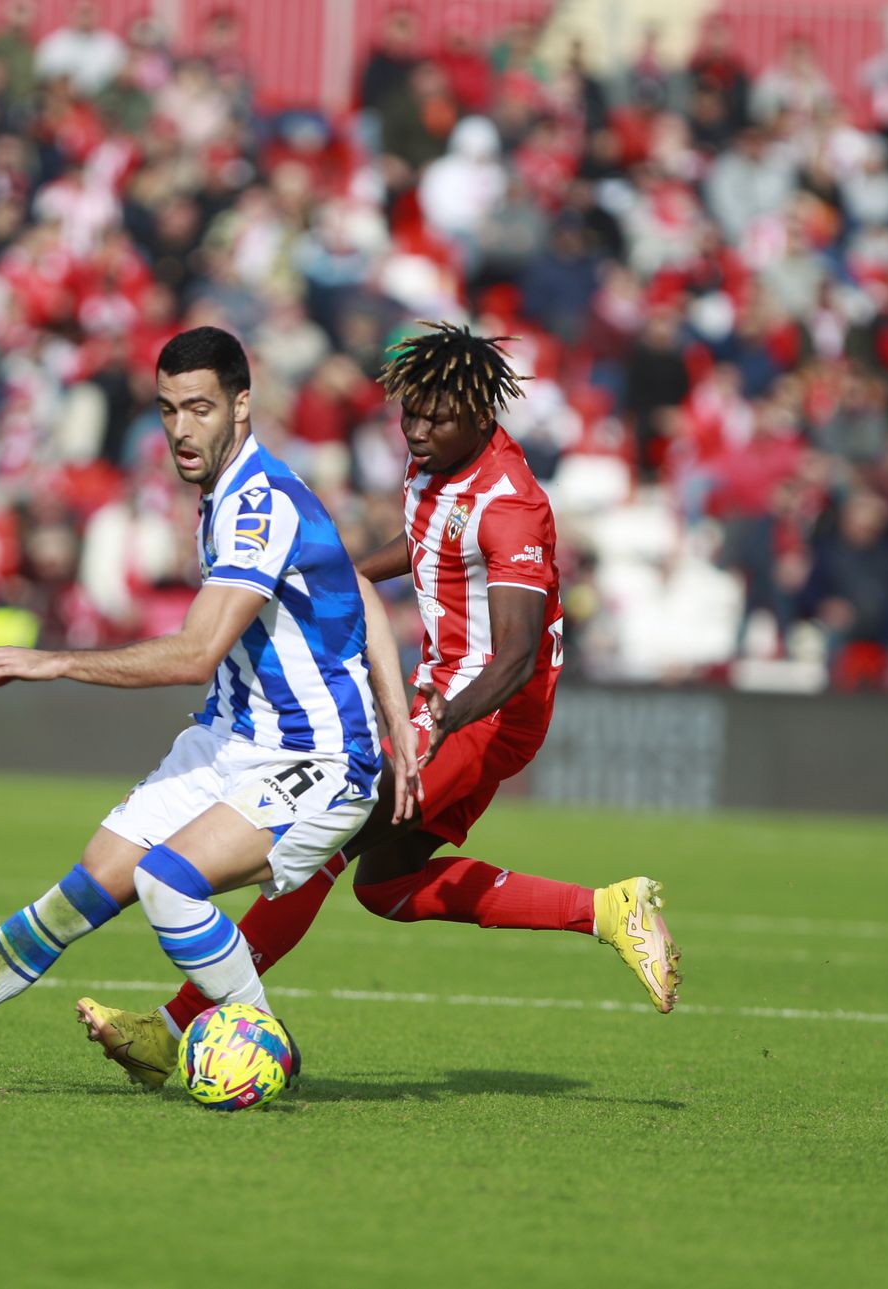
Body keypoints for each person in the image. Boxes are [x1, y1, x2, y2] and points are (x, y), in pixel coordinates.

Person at [0, 326, 418, 1091]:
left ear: (242, 404)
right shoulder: (227, 494)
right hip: (230, 739)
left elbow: (195, 653)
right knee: (79, 895)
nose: (181, 428)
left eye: (200, 408)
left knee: (167, 881)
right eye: (168, 409)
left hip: (315, 758)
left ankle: (265, 1042)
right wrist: (400, 718)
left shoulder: (257, 504)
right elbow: (354, 586)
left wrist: (58, 660)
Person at [78, 323, 682, 1090]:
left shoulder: (513, 507)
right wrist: (341, 573)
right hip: (443, 697)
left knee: (319, 840)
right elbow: (429, 537)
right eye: (410, 415)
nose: (418, 432)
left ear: (480, 415)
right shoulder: (436, 464)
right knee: (385, 887)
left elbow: (517, 655)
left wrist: (442, 718)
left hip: (485, 710)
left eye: (436, 418)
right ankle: (607, 909)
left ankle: (172, 1029)